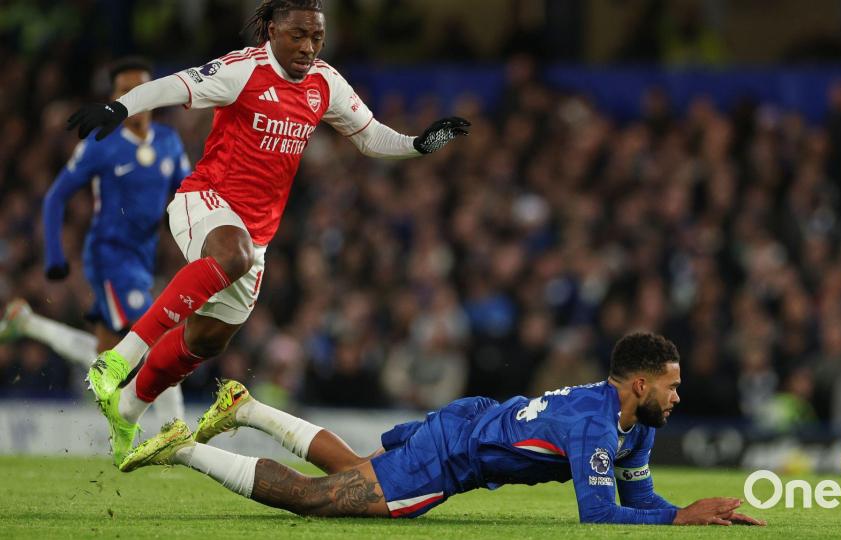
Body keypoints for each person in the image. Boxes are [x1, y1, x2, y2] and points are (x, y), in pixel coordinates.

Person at [65, 0, 469, 466]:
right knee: (231, 254)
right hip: (205, 200)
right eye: (298, 35)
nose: (308, 47)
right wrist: (121, 106)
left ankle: (129, 405)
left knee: (208, 340)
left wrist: (419, 145)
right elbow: (175, 86)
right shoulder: (244, 69)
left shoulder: (325, 83)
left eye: (316, 37)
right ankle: (117, 359)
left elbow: (369, 135)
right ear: (273, 30)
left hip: (257, 234)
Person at [121, 333, 765, 526]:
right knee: (315, 500)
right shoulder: (596, 426)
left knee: (349, 473)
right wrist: (681, 520)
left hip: (470, 417)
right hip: (451, 457)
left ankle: (245, 410)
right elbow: (598, 514)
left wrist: (686, 513)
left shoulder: (634, 424)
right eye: (673, 385)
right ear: (641, 384)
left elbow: (640, 501)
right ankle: (186, 449)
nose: (682, 396)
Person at [0, 57, 188, 420]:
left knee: (108, 354)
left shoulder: (169, 140)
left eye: (142, 89)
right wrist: (54, 256)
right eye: (125, 91)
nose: (135, 97)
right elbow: (56, 196)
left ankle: (28, 323)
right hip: (110, 257)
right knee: (157, 334)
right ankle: (176, 431)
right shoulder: (102, 143)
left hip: (143, 257)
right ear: (114, 97)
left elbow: (187, 190)